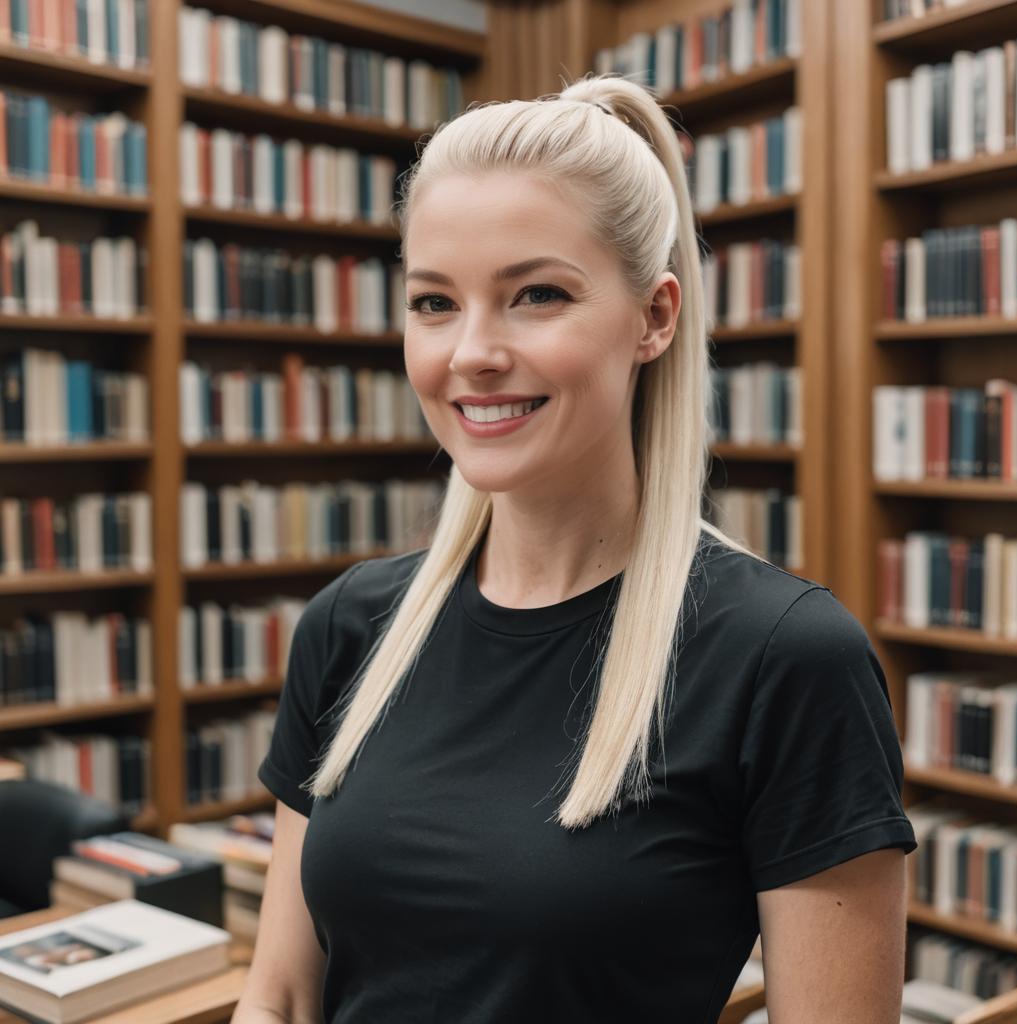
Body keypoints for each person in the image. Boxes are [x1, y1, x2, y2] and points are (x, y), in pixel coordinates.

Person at [232, 72, 918, 1024]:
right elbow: (278, 998)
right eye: (434, 302)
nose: (471, 351)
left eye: (536, 294)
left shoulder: (785, 660)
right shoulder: (351, 626)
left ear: (655, 317)